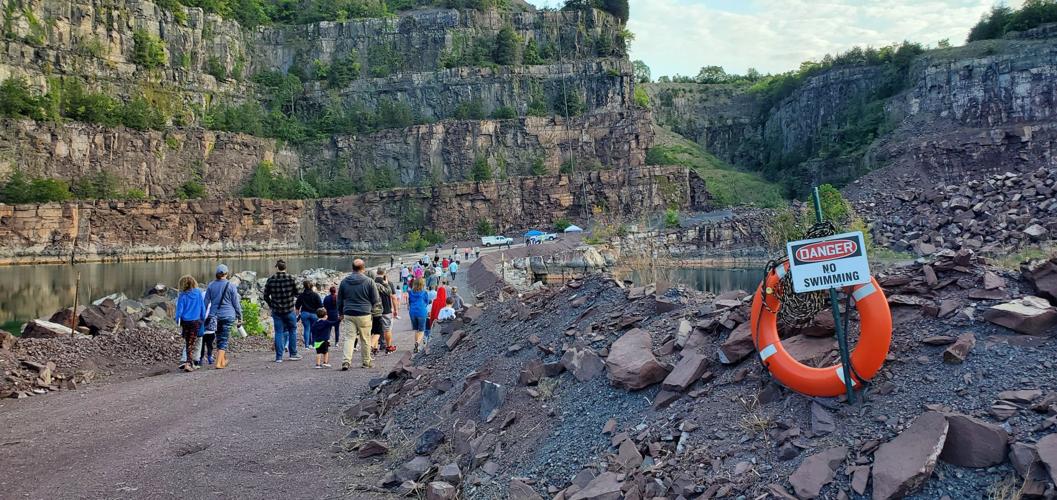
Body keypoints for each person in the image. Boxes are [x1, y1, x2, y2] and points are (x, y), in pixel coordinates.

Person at [338, 258, 380, 370]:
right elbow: (376, 299)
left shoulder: (344, 282)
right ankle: (366, 362)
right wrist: (370, 308)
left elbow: (339, 299)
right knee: (365, 339)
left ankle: (346, 361)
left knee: (349, 338)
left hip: (349, 313)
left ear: (352, 268)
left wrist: (340, 312)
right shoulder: (369, 281)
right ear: (363, 268)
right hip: (364, 313)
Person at [204, 264, 242, 369]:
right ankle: (219, 363)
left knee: (219, 337)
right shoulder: (231, 286)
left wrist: (203, 316)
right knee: (224, 339)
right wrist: (240, 316)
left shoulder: (211, 285)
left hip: (215, 316)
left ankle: (223, 360)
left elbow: (205, 303)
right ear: (226, 274)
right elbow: (236, 304)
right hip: (228, 315)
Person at [264, 259, 300, 363]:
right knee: (292, 330)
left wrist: (272, 304)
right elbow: (298, 293)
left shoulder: (271, 279)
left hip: (277, 310)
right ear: (285, 267)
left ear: (277, 267)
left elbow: (265, 296)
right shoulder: (291, 278)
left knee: (278, 332)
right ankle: (293, 353)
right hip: (289, 309)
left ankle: (279, 357)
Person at [175, 275, 206, 372]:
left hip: (185, 322)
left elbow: (179, 310)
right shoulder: (197, 293)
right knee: (191, 342)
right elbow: (202, 307)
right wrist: (203, 318)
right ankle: (189, 363)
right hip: (195, 322)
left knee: (188, 342)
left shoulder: (182, 295)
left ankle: (189, 362)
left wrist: (177, 320)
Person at [371, 268, 399, 354]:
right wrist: (395, 310)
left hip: (374, 310)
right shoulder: (388, 283)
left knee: (374, 329)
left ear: (377, 273)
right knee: (387, 329)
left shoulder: (371, 282)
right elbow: (393, 297)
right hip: (386, 309)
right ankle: (388, 347)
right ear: (385, 273)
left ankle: (374, 348)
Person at [295, 280, 323, 351]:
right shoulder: (315, 295)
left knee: (307, 329)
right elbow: (320, 305)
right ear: (311, 286)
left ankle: (307, 345)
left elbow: (297, 306)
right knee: (313, 329)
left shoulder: (301, 295)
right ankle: (313, 344)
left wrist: (297, 315)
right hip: (314, 314)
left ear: (304, 286)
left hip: (304, 314)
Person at [407, 278, 429, 353]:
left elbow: (409, 302)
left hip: (412, 311)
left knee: (416, 329)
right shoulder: (424, 292)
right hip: (421, 311)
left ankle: (416, 346)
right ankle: (417, 343)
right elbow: (427, 302)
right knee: (422, 330)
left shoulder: (410, 292)